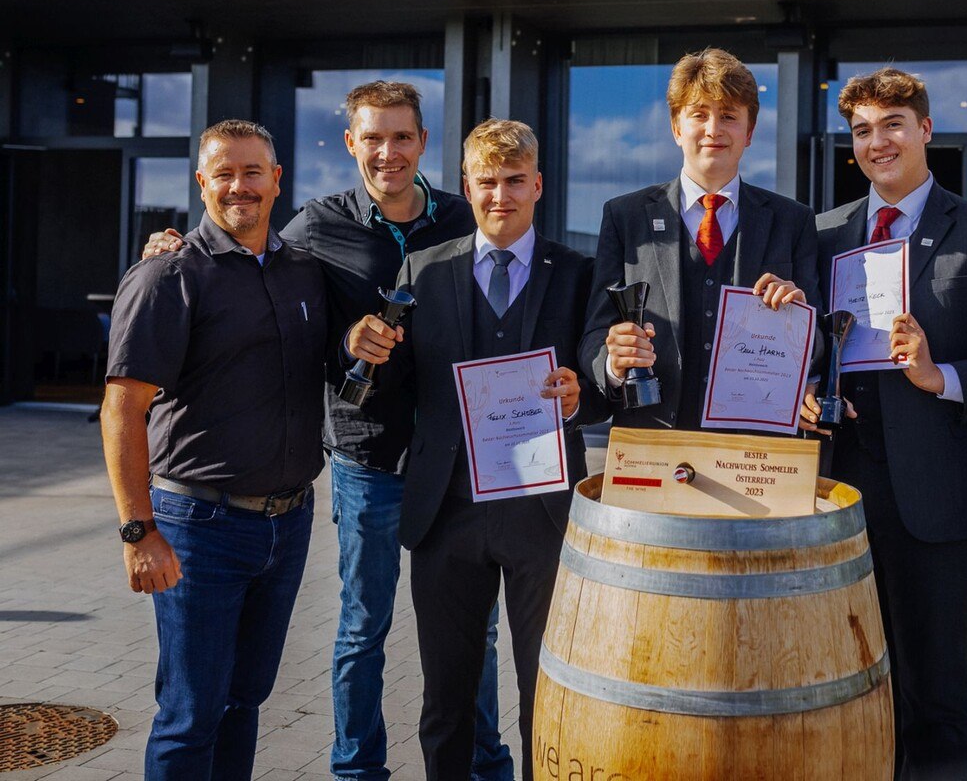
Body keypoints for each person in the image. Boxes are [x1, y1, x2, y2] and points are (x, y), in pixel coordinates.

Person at [142, 82, 512, 781]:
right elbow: (244, 246)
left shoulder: (465, 219)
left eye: (401, 136)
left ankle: (482, 766)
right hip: (366, 455)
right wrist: (172, 246)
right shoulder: (316, 225)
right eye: (372, 137)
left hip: (456, 457)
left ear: (422, 142)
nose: (387, 151)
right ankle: (356, 769)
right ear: (350, 143)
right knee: (363, 628)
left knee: (475, 630)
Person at [799, 67, 967, 780]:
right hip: (837, 496)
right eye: (862, 131)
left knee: (935, 695)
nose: (877, 143)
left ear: (925, 130)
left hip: (936, 501)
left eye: (892, 126)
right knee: (847, 688)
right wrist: (804, 392)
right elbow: (808, 350)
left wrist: (943, 377)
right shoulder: (822, 235)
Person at [347, 118, 606, 781]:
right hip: (448, 509)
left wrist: (579, 395)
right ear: (466, 187)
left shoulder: (577, 273)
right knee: (446, 701)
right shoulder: (424, 270)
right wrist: (366, 350)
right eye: (486, 182)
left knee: (548, 694)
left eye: (515, 181)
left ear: (538, 185)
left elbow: (599, 380)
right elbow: (393, 387)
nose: (500, 195)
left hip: (543, 513)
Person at [102, 120, 326, 781]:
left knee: (243, 700)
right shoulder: (168, 275)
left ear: (276, 180)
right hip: (199, 528)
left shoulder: (302, 270)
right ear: (201, 182)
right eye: (223, 173)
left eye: (252, 172)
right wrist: (138, 532)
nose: (239, 187)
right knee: (191, 713)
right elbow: (122, 409)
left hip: (288, 523)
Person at [580, 47, 819, 429]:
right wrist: (613, 361)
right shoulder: (625, 217)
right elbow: (595, 332)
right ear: (676, 127)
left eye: (729, 116)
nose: (713, 129)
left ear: (749, 132)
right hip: (652, 439)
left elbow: (820, 342)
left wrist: (801, 322)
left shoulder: (793, 221)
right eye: (699, 114)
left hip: (754, 445)